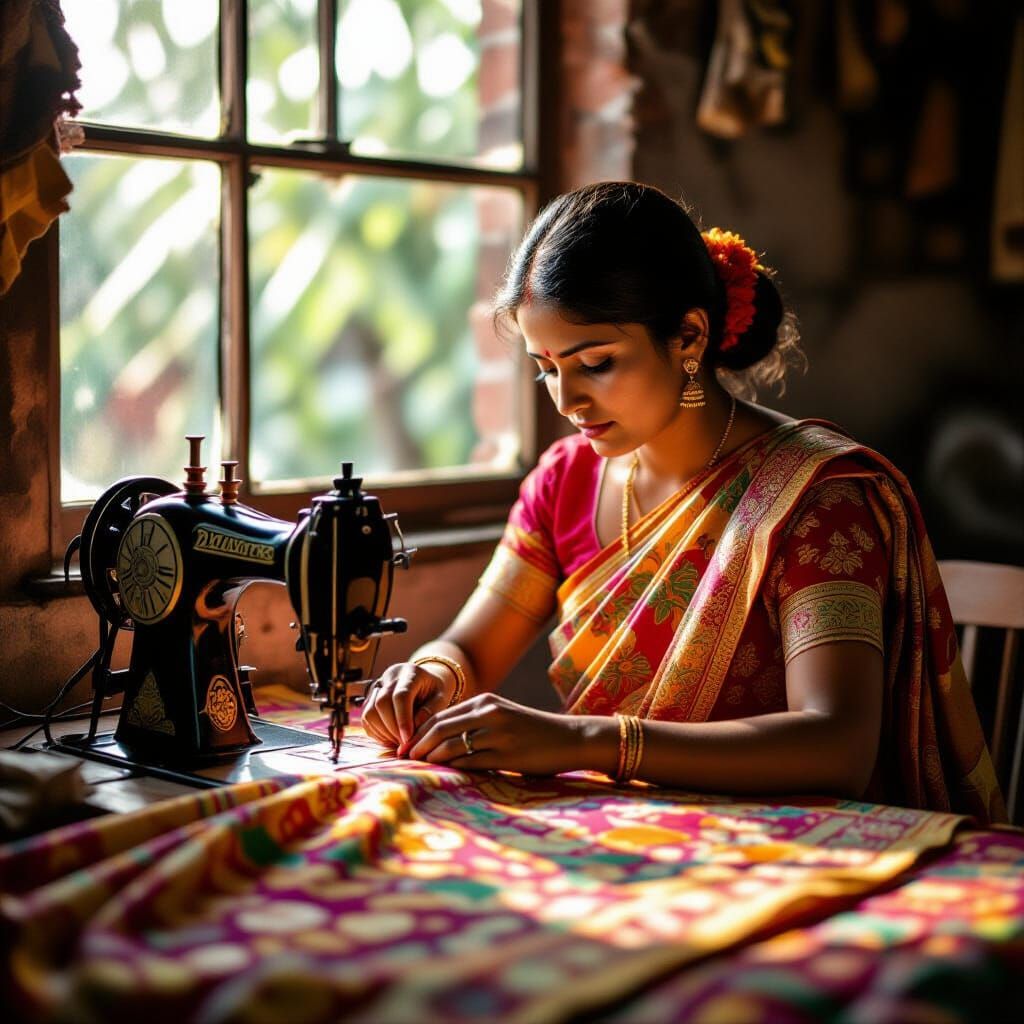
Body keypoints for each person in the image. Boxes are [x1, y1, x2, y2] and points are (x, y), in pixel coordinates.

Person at [361, 181, 1004, 824]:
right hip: (626, 833)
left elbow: (835, 745)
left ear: (690, 336)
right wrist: (428, 674)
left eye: (598, 363)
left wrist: (587, 740)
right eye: (547, 367)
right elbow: (471, 650)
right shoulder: (565, 483)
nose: (566, 401)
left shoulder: (817, 499)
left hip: (796, 847)